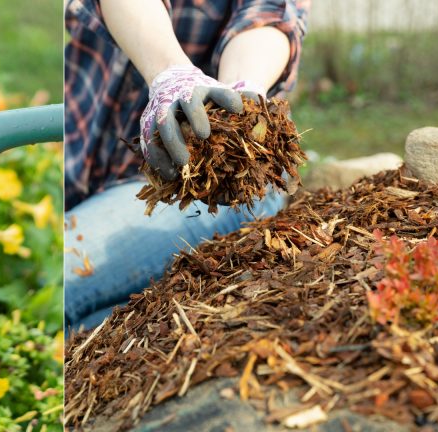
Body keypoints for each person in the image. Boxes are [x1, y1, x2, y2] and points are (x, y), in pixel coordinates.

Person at [64, 0, 310, 331]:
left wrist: (242, 91)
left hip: (207, 186)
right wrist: (171, 75)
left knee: (61, 271)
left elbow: (268, 18)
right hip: (80, 161)